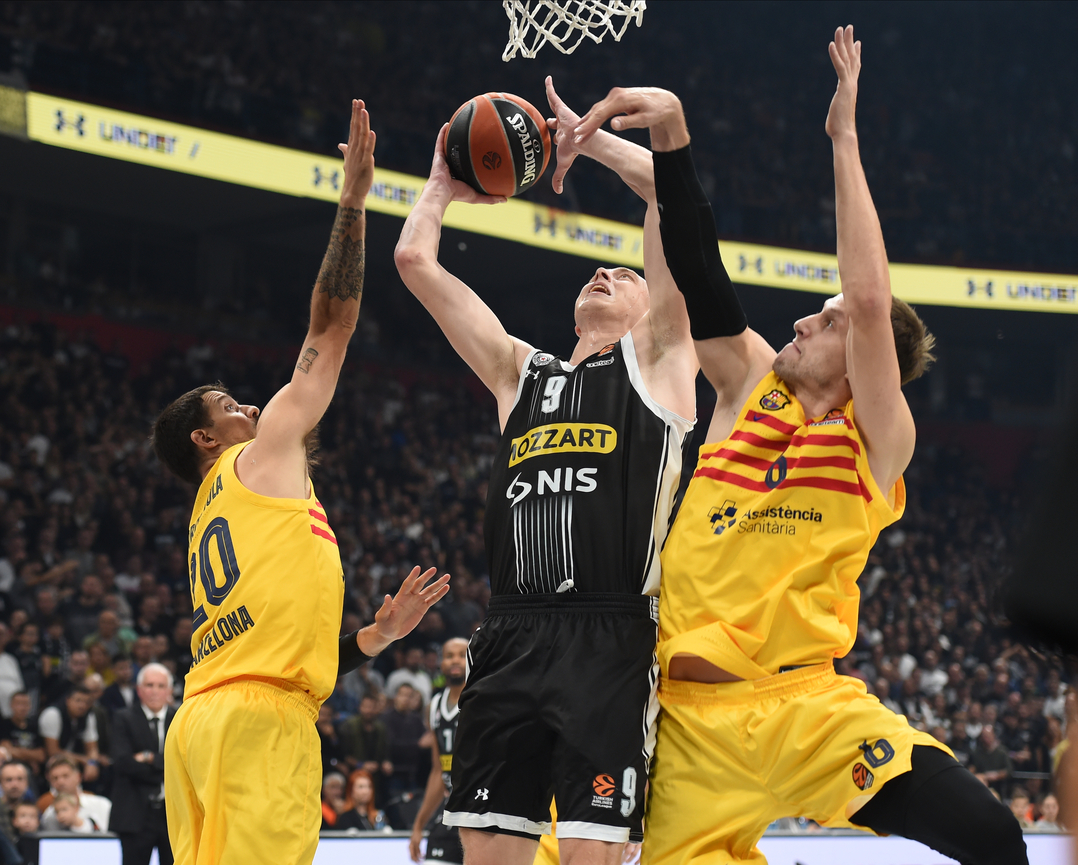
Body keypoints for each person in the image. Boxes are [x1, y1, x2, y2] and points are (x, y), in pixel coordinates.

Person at [569, 26, 1026, 865]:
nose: (799, 321)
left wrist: (843, 140)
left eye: (821, 322)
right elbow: (699, 265)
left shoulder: (878, 439)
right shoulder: (748, 385)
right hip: (679, 727)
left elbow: (868, 295)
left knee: (994, 837)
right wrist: (629, 148)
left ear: (859, 356)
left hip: (805, 708)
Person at [394, 71, 701, 864]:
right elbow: (413, 261)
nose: (606, 273)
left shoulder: (663, 360)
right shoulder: (518, 374)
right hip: (508, 632)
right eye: (596, 273)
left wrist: (590, 142)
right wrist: (441, 183)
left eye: (625, 274)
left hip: (611, 634)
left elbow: (672, 207)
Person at [151, 101, 450, 865]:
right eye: (228, 405)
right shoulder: (261, 453)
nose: (249, 404)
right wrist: (352, 203)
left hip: (205, 720)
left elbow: (274, 644)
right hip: (258, 724)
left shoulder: (210, 513)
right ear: (203, 438)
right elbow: (330, 327)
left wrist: (373, 639)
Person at [110, 663, 176, 865]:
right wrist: (168, 766)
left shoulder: (182, 718)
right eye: (149, 685)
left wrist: (148, 758)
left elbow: (190, 762)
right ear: (139, 690)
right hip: (134, 815)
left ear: (169, 691)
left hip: (173, 816)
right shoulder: (123, 718)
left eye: (160, 685)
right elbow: (123, 763)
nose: (155, 691)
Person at [410, 637, 467, 865]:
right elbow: (438, 772)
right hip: (450, 812)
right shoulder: (434, 705)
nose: (455, 660)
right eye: (449, 655)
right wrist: (418, 825)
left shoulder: (482, 699)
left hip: (481, 811)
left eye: (462, 655)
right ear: (440, 663)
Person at [38, 686, 101, 784]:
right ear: (68, 700)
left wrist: (92, 763)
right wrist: (83, 759)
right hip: (49, 762)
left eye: (86, 702)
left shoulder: (88, 716)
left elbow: (92, 747)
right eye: (78, 700)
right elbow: (53, 751)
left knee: (100, 771)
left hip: (75, 762)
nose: (82, 706)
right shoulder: (53, 714)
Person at [38, 754, 111, 831]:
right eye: (55, 778)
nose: (60, 782)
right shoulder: (49, 815)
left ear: (78, 777)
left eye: (65, 776)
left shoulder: (102, 805)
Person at [0, 691, 46, 774]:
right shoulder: (5, 724)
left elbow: (41, 756)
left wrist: (17, 752)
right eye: (19, 704)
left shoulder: (34, 726)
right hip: (10, 768)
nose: (23, 708)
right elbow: (6, 751)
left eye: (26, 704)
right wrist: (31, 758)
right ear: (11, 705)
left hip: (31, 772)